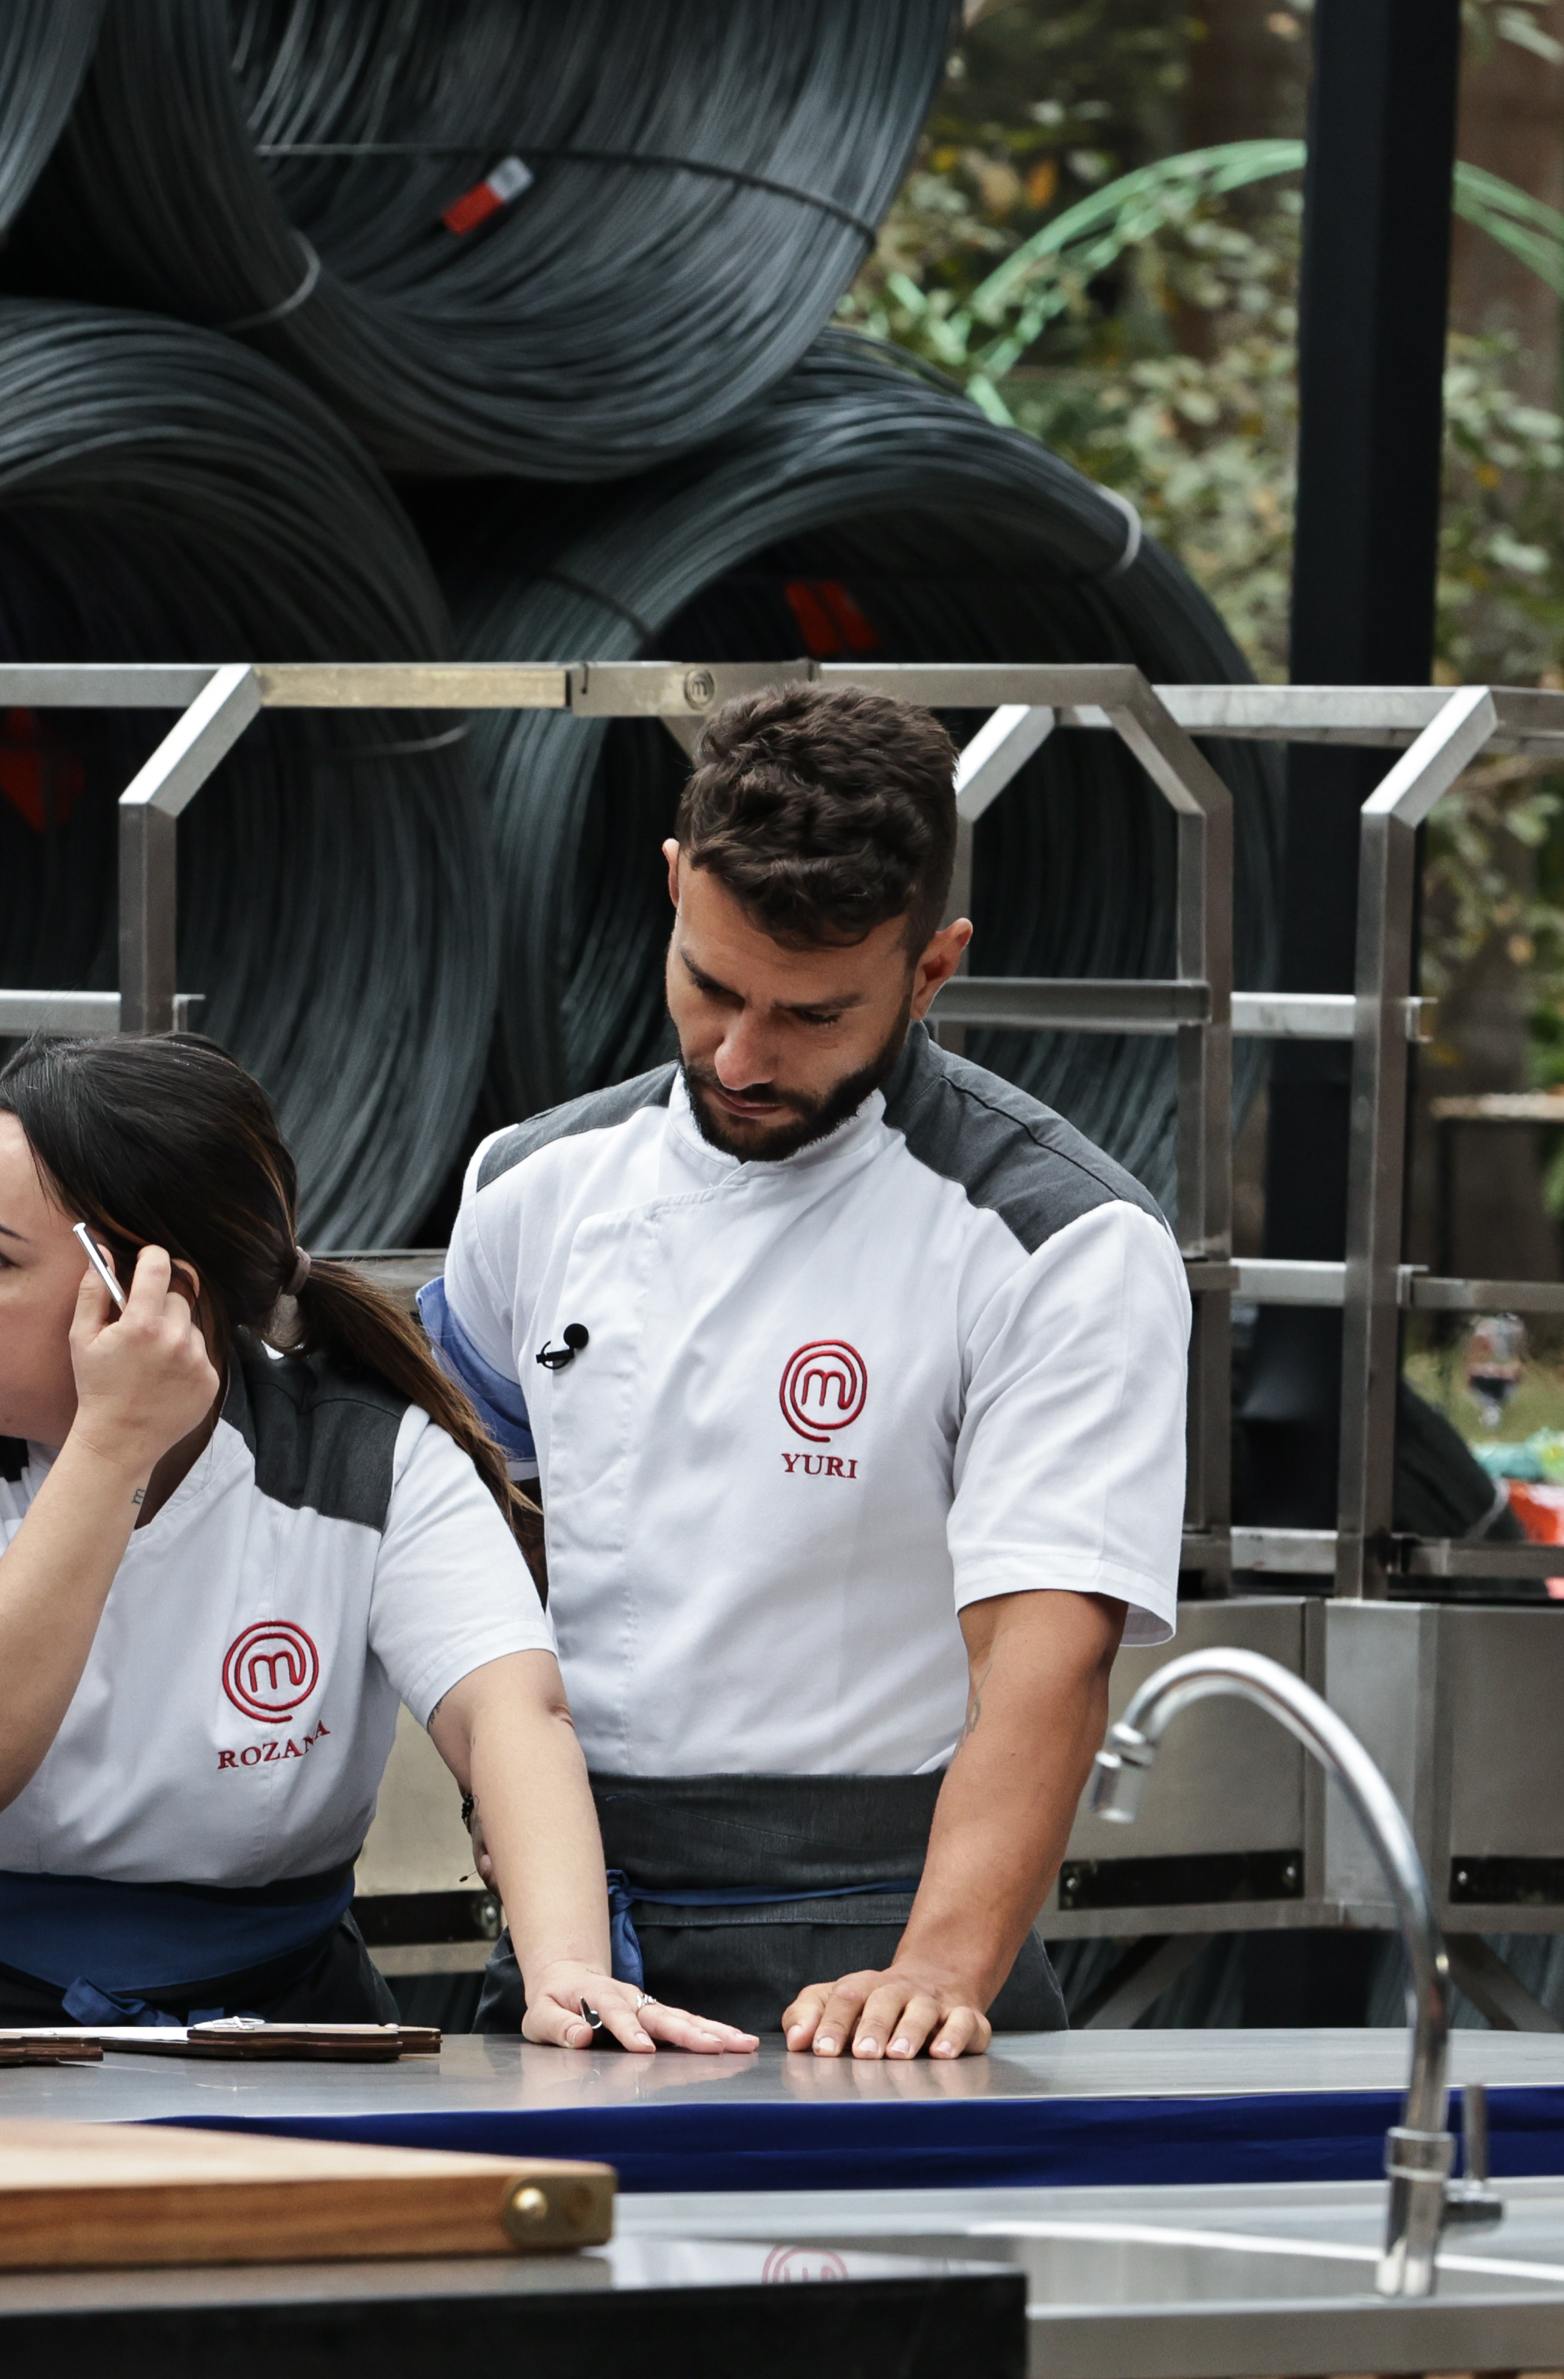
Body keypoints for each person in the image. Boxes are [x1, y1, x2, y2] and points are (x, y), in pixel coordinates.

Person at [426, 683, 1187, 2060]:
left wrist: (940, 1965)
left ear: (932, 966)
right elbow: (465, 1538)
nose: (740, 1053)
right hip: (579, 1941)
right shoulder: (526, 1191)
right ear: (671, 887)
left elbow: (1048, 1654)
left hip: (880, 1934)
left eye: (813, 1014)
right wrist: (521, 1832)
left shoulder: (1061, 1242)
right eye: (711, 984)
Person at [0, 1035, 754, 2048]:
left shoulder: (368, 1454)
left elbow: (511, 1714)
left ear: (151, 1291)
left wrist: (567, 1970)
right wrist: (111, 1444)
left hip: (275, 2015)